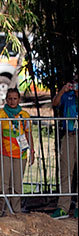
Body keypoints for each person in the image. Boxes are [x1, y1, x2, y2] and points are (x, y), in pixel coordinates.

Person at [0, 88, 35, 216]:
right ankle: (1, 212)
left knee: (17, 184)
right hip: (3, 153)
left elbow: (28, 134)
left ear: (19, 100)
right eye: (10, 98)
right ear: (6, 99)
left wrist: (32, 151)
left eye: (15, 98)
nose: (12, 101)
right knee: (2, 184)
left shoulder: (24, 115)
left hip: (21, 154)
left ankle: (16, 212)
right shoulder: (0, 115)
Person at [51, 77, 78, 219]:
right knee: (66, 171)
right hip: (69, 134)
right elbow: (55, 103)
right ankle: (63, 207)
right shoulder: (68, 95)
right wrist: (62, 90)